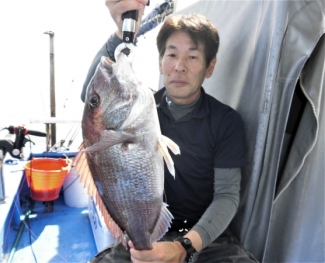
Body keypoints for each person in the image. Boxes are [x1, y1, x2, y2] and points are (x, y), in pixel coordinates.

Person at [81, 1, 257, 262]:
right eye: (172, 54)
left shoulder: (226, 122)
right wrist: (121, 32)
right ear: (161, 62)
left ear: (210, 67)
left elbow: (227, 196)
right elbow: (93, 98)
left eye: (193, 57)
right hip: (143, 235)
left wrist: (183, 247)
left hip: (204, 239)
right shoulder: (147, 110)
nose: (179, 66)